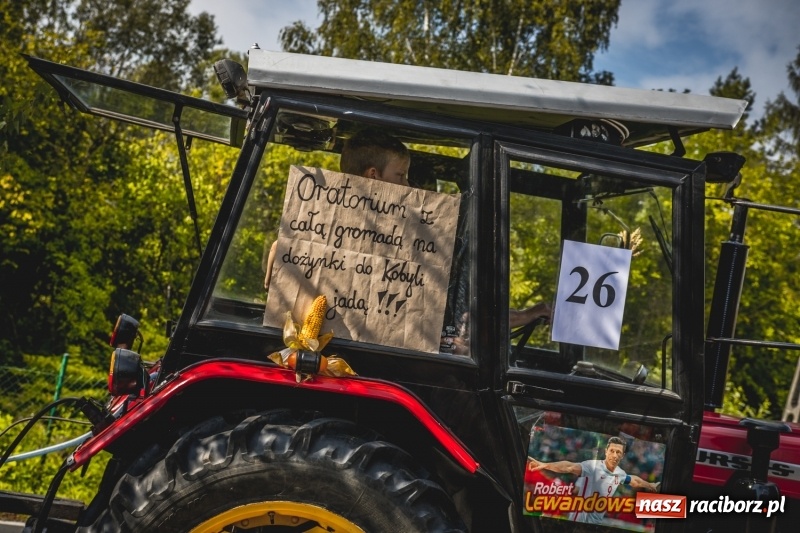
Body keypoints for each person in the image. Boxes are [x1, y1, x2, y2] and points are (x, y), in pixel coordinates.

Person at [263, 128, 411, 291]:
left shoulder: (319, 217)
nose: (407, 185)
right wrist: (284, 248)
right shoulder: (317, 221)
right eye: (401, 175)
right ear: (373, 175)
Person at [527, 436, 659, 524]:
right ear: (606, 451)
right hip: (578, 522)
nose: (614, 455)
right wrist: (545, 465)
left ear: (623, 456)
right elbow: (569, 466)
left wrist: (649, 484)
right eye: (612, 451)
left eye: (618, 452)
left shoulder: (620, 473)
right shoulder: (593, 466)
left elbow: (634, 480)